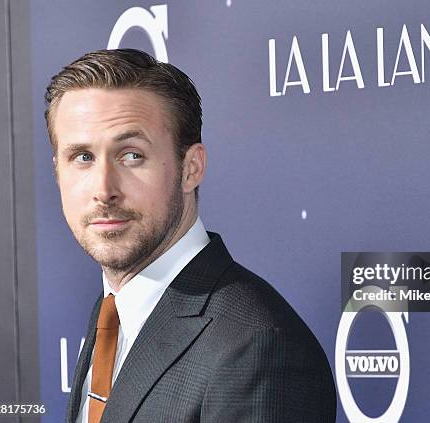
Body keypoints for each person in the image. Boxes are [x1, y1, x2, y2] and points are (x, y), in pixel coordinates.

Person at [45, 48, 336, 423]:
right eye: (82, 157)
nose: (104, 189)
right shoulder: (114, 312)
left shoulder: (259, 347)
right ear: (57, 172)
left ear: (191, 168)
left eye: (131, 155)